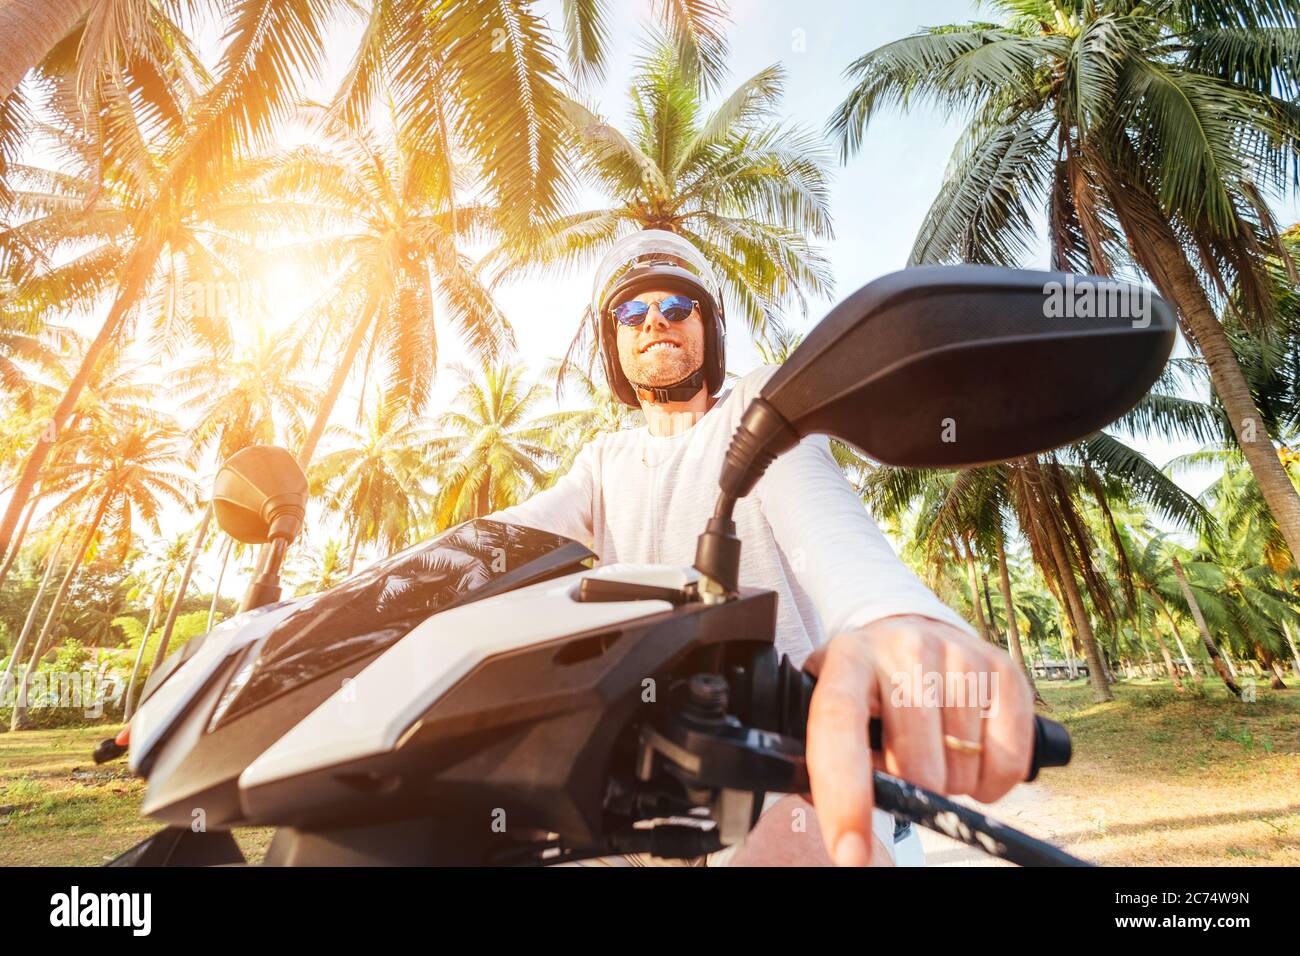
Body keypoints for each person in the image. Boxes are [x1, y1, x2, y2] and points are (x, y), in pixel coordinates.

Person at [486, 230, 1034, 866]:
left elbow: (821, 513)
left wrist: (888, 614)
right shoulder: (602, 462)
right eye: (632, 312)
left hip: (785, 758)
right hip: (632, 782)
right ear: (614, 343)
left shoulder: (758, 408)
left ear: (708, 328)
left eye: (677, 306)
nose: (654, 320)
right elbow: (516, 536)